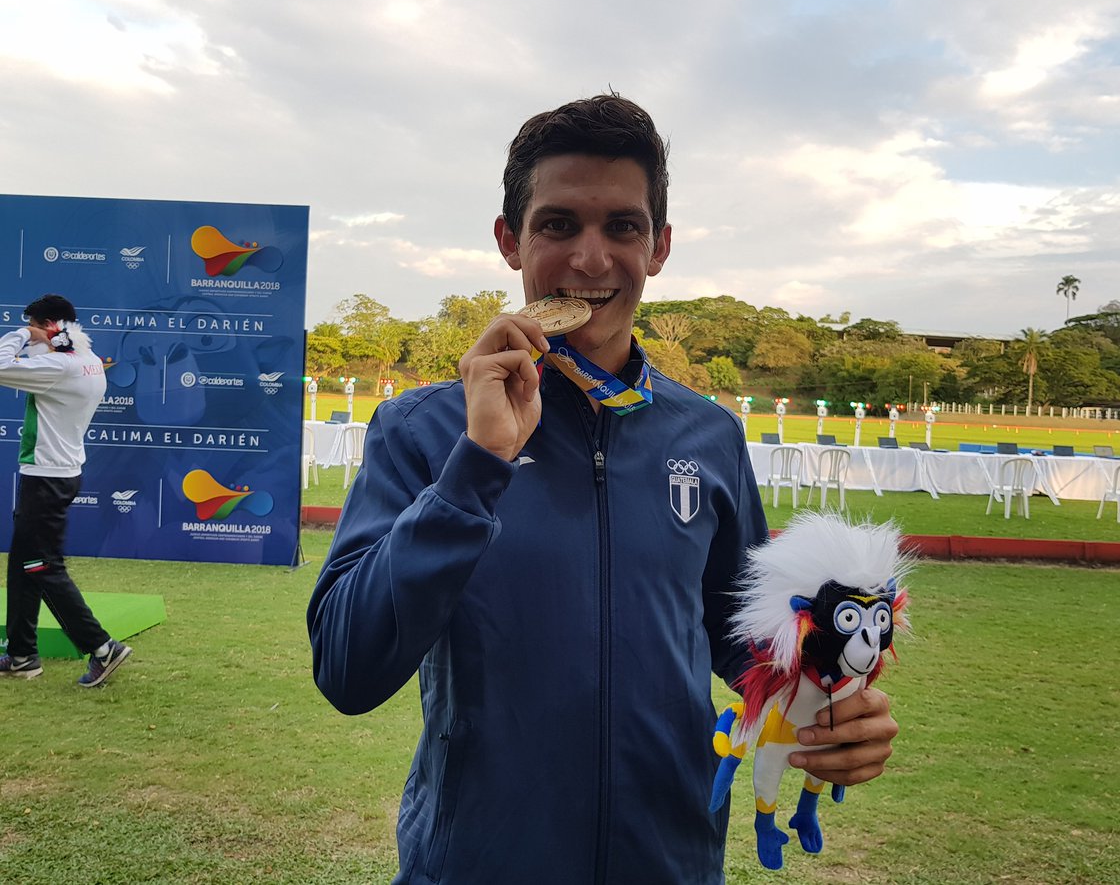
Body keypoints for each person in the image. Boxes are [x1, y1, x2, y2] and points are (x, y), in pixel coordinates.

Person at [308, 95, 898, 884]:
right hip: (478, 864)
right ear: (509, 241)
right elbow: (348, 670)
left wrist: (830, 703)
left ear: (659, 248)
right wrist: (478, 463)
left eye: (623, 226)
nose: (591, 260)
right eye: (557, 226)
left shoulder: (708, 436)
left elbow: (743, 640)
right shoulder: (423, 429)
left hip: (673, 860)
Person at [0, 294, 132, 687]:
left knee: (42, 567)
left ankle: (103, 647)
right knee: (23, 565)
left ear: (50, 328)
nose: (30, 337)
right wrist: (41, 334)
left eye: (34, 328)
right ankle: (23, 654)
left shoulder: (58, 364)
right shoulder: (86, 359)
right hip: (56, 473)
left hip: (46, 478)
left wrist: (21, 332)